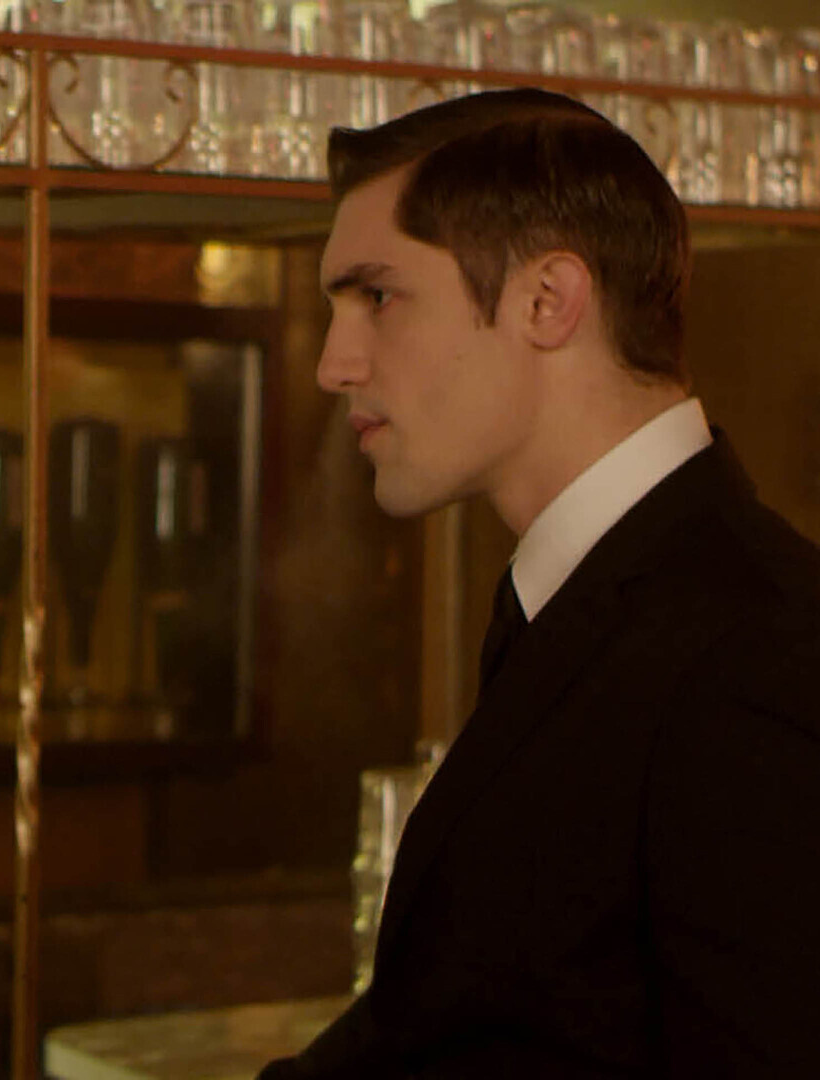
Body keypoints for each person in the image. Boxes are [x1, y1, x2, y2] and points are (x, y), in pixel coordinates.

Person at [262, 88, 820, 1077]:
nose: (335, 364)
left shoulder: (754, 651)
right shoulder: (581, 600)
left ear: (547, 300)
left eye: (377, 297)